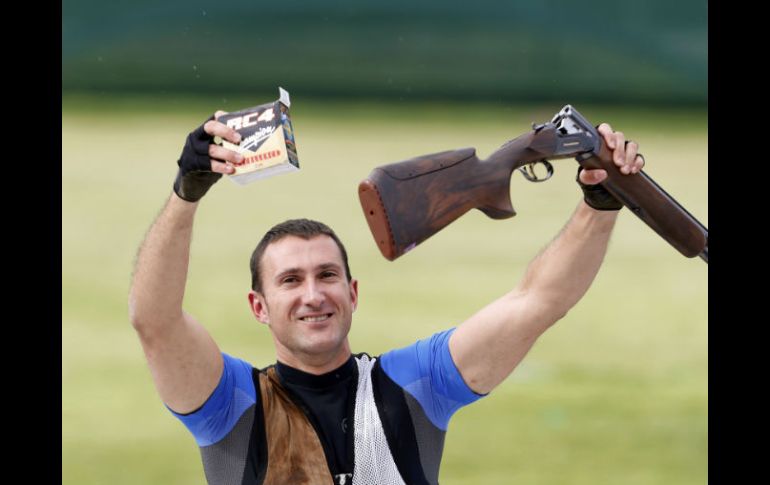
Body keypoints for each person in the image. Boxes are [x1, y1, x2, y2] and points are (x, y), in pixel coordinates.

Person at [128, 110, 645, 485]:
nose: (313, 294)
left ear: (352, 293)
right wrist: (186, 193)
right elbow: (155, 321)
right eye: (290, 280)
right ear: (258, 306)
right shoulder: (230, 406)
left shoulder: (413, 384)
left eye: (327, 275)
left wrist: (600, 202)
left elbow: (537, 301)